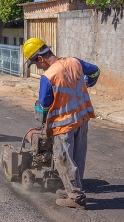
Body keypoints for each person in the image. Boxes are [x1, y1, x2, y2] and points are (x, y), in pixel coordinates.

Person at [23, 38, 100, 210]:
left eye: (35, 63)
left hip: (63, 125)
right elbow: (95, 72)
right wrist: (86, 85)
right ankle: (73, 189)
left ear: (40, 58)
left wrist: (43, 121)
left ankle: (77, 198)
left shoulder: (48, 77)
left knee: (64, 159)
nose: (37, 67)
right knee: (78, 157)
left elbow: (44, 105)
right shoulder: (75, 62)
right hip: (82, 118)